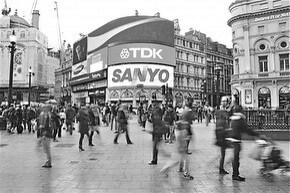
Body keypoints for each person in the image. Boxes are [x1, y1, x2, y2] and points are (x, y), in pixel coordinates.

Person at [229, 105, 261, 181]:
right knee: (236, 158)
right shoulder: (240, 119)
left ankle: (235, 174)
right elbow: (246, 129)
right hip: (236, 140)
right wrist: (256, 134)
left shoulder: (233, 119)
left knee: (235, 157)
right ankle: (235, 175)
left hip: (232, 139)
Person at [215, 96, 232, 175]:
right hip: (222, 134)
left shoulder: (222, 112)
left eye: (225, 101)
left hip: (222, 134)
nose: (224, 103)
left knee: (223, 153)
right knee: (223, 153)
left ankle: (221, 167)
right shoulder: (222, 112)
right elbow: (221, 124)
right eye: (223, 101)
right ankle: (221, 168)